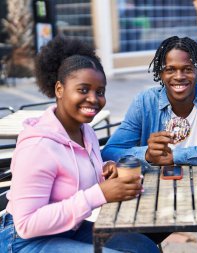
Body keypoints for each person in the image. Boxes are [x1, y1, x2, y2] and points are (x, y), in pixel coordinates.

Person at [0, 36, 159, 253]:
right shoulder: (38, 147)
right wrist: (99, 194)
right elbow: (26, 225)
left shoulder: (86, 132)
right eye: (83, 90)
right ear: (59, 89)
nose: (94, 99)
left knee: (144, 247)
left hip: (68, 228)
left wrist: (105, 172)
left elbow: (72, 180)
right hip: (22, 241)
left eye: (100, 91)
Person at [102, 36, 197, 252]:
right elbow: (110, 152)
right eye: (170, 69)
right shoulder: (146, 101)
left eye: (187, 69)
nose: (179, 76)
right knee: (135, 240)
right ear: (161, 72)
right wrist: (147, 155)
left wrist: (177, 155)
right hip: (155, 198)